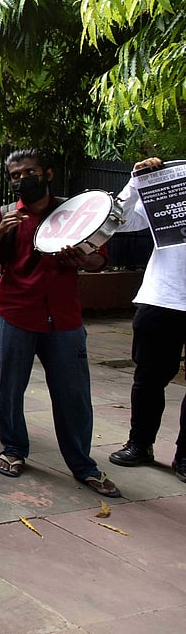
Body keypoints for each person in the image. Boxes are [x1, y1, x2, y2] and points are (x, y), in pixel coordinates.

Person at [0, 148, 121, 497]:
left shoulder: (75, 213)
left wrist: (80, 258)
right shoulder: (4, 216)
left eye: (30, 172)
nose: (23, 179)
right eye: (15, 175)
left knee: (74, 395)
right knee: (11, 389)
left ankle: (83, 465)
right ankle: (13, 450)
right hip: (17, 315)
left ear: (48, 173)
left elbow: (99, 260)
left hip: (64, 320)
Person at [107, 157, 186, 483]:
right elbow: (117, 222)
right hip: (162, 297)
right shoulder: (172, 181)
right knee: (149, 378)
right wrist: (136, 182)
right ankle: (140, 444)